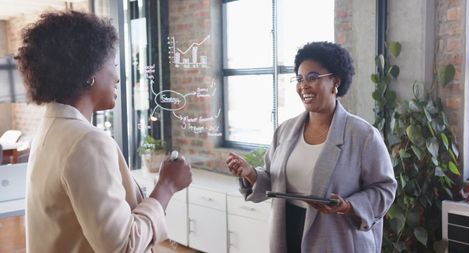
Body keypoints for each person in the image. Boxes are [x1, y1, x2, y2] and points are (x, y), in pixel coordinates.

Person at [16, 11, 192, 253]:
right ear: (88, 72)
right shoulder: (86, 142)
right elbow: (122, 247)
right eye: (114, 62)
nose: (118, 77)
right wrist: (167, 186)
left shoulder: (51, 129)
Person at [226, 41, 397, 253]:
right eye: (299, 79)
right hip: (288, 235)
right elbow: (273, 182)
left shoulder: (363, 135)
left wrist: (349, 206)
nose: (303, 86)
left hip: (336, 241)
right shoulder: (285, 131)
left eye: (313, 78)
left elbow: (385, 189)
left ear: (336, 81)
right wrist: (251, 173)